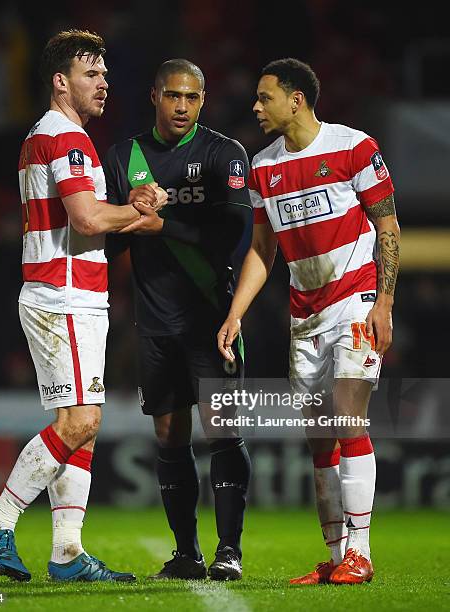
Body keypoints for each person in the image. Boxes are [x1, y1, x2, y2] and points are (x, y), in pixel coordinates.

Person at [0, 29, 165, 583]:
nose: (104, 83)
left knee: (79, 426)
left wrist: (128, 211)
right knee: (82, 421)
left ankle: (68, 553)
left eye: (104, 73)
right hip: (66, 296)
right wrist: (135, 211)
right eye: (91, 74)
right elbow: (87, 219)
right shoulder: (69, 139)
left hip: (62, 293)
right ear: (61, 81)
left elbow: (83, 217)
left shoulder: (41, 136)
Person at [218, 58, 400, 585]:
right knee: (319, 436)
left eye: (264, 96)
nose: (255, 106)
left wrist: (384, 303)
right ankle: (336, 553)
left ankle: (360, 555)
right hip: (305, 313)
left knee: (348, 418)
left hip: (356, 301)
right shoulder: (262, 167)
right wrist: (237, 313)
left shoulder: (353, 147)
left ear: (296, 99)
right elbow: (261, 249)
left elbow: (387, 226)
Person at [104, 59, 252, 581]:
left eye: (191, 97)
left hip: (212, 317)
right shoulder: (124, 158)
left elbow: (231, 231)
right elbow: (106, 238)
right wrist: (130, 212)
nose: (182, 106)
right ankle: (186, 552)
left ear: (203, 99)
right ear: (154, 96)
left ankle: (228, 550)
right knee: (169, 434)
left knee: (223, 432)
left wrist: (161, 221)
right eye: (172, 96)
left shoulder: (223, 153)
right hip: (156, 320)